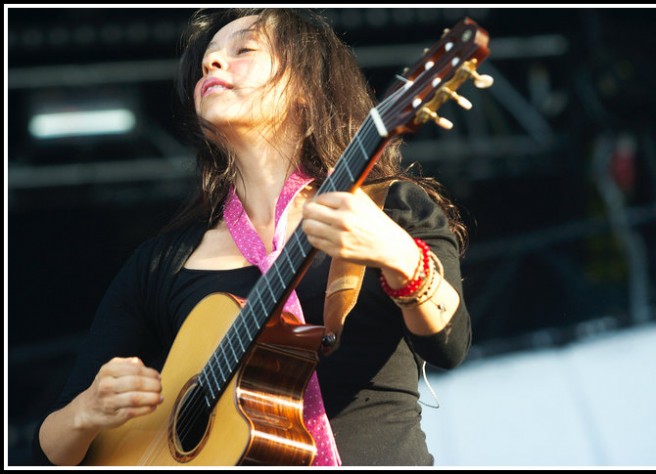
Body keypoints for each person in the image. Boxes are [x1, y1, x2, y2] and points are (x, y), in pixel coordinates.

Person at [31, 8, 472, 466]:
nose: (212, 64)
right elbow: (47, 451)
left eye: (243, 50)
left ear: (305, 87)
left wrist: (398, 254)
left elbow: (450, 344)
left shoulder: (388, 209)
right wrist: (88, 411)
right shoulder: (161, 265)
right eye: (208, 59)